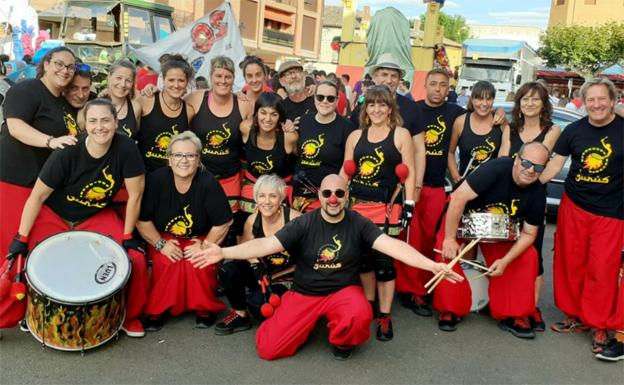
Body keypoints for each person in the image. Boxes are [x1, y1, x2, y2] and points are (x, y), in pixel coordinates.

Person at [190, 174, 461, 361]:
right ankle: (304, 326)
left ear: (347, 197)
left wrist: (431, 264)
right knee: (267, 349)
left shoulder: (358, 223)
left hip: (342, 292)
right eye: (327, 193)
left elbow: (393, 247)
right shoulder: (304, 223)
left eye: (339, 193)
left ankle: (341, 338)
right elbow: (263, 245)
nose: (333, 198)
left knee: (358, 315)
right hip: (305, 292)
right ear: (319, 195)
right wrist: (223, 251)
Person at [5, 98, 149, 337]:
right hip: (56, 214)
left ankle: (129, 316)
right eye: (93, 121)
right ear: (85, 124)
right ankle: (29, 313)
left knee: (136, 259)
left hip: (94, 214)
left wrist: (127, 235)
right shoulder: (68, 151)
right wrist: (21, 236)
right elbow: (38, 196)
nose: (99, 126)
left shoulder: (126, 148)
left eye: (105, 120)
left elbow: (136, 195)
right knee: (26, 256)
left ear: (116, 122)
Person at [539, 78, 623, 356]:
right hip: (574, 206)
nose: (596, 104)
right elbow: (555, 163)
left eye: (602, 99)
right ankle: (575, 316)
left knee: (602, 270)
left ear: (612, 101)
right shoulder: (574, 130)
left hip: (611, 212)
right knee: (570, 264)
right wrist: (531, 180)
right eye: (591, 100)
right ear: (584, 102)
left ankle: (599, 325)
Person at [435, 142, 549, 339]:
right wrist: (450, 238)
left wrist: (505, 261)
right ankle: (451, 309)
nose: (531, 170)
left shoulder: (537, 191)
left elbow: (529, 234)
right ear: (516, 160)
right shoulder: (495, 170)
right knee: (446, 251)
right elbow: (458, 199)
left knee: (527, 256)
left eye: (538, 167)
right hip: (462, 216)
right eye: (527, 163)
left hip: (498, 229)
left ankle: (513, 314)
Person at [0, 48, 79, 326]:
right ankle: (4, 315)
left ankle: (22, 310)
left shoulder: (64, 102)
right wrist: (50, 141)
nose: (65, 70)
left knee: (34, 247)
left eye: (70, 66)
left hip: (43, 188)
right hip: (14, 181)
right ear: (45, 64)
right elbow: (15, 127)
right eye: (59, 64)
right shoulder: (27, 90)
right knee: (10, 250)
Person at [136, 131, 232, 330]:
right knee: (167, 261)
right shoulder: (155, 180)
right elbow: (142, 219)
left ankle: (205, 308)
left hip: (200, 236)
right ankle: (158, 309)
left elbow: (223, 222)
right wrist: (160, 244)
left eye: (190, 155)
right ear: (169, 159)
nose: (184, 161)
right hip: (164, 236)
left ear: (198, 159)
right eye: (178, 155)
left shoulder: (208, 183)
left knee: (198, 262)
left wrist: (205, 245)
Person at [342, 86, 416, 341]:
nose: (376, 109)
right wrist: (332, 196)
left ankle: (384, 315)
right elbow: (346, 172)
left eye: (382, 105)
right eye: (372, 104)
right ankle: (369, 305)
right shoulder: (355, 136)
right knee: (363, 262)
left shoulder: (401, 135)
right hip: (358, 207)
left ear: (390, 108)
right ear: (365, 108)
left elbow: (410, 171)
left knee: (384, 265)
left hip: (387, 209)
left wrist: (410, 204)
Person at [394, 68, 465, 317]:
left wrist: (500, 114)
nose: (438, 89)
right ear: (425, 85)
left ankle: (427, 285)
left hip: (438, 185)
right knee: (408, 238)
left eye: (443, 85)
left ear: (449, 88)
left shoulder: (456, 112)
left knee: (428, 241)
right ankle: (411, 289)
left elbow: (482, 117)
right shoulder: (412, 110)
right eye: (433, 84)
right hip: (412, 184)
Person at [498, 81, 561, 331]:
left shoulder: (552, 130)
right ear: (519, 103)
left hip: (534, 196)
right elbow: (504, 158)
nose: (530, 103)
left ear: (544, 103)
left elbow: (546, 162)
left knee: (534, 252)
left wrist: (532, 185)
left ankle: (531, 308)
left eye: (536, 99)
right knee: (507, 250)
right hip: (508, 197)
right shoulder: (510, 129)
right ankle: (507, 302)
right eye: (525, 99)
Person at [215, 175, 300, 334]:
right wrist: (255, 266)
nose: (266, 201)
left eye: (272, 196)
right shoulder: (252, 221)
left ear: (281, 197)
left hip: (287, 279)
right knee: (229, 270)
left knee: (260, 308)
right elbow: (246, 250)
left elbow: (306, 257)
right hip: (262, 274)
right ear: (255, 198)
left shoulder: (295, 220)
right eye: (262, 196)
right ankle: (240, 314)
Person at [350, 54, 426, 207]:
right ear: (375, 77)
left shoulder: (412, 108)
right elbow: (351, 148)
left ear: (399, 80)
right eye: (384, 74)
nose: (389, 80)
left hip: (395, 189)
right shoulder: (360, 108)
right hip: (362, 190)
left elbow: (418, 150)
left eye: (394, 76)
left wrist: (417, 184)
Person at [187, 56, 252, 213]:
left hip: (230, 178)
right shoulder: (195, 98)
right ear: (211, 77)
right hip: (198, 176)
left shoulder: (243, 104)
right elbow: (170, 107)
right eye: (218, 76)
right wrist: (152, 90)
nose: (223, 81)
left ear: (233, 79)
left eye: (228, 77)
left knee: (229, 225)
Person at [292, 81, 354, 212]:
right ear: (314, 99)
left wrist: (336, 191)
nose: (325, 101)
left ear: (337, 101)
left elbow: (347, 164)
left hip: (329, 197)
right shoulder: (303, 121)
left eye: (330, 98)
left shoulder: (347, 127)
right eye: (320, 97)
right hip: (300, 193)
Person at [239, 92, 297, 214]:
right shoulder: (245, 128)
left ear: (280, 117)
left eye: (274, 114)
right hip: (252, 186)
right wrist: (239, 94)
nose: (267, 119)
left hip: (279, 190)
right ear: (256, 113)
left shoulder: (289, 137)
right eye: (263, 113)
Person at [137, 55, 194, 173]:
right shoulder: (146, 100)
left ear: (187, 82)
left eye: (181, 80)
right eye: (171, 80)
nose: (176, 85)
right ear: (163, 80)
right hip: (144, 175)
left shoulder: (189, 111)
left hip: (172, 177)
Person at [448, 80, 504, 184]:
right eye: (479, 98)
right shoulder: (460, 122)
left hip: (493, 187)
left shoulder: (501, 122)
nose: (484, 104)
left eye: (489, 99)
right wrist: (455, 175)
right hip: (465, 186)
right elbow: (450, 152)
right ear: (472, 99)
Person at [106, 59, 142, 140]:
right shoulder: (96, 104)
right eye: (119, 78)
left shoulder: (136, 108)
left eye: (128, 80)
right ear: (109, 76)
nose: (123, 84)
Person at [277, 61, 317, 126]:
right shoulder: (281, 107)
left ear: (304, 76)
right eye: (288, 74)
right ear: (281, 82)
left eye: (297, 71)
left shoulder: (318, 99)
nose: (293, 76)